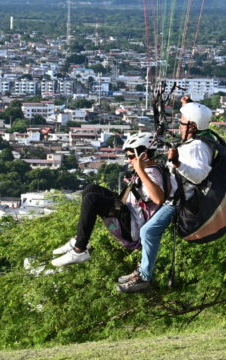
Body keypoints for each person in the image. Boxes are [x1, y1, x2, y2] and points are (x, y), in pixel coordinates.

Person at [116, 101, 214, 293]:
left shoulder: (198, 146)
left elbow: (201, 175)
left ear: (193, 126)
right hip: (174, 196)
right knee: (143, 225)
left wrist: (177, 163)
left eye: (183, 122)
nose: (179, 126)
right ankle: (141, 270)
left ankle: (144, 277)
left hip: (178, 202)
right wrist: (189, 105)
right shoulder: (198, 141)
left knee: (147, 231)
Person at [51, 133, 173, 268]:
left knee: (92, 200)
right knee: (91, 189)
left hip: (131, 226)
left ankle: (80, 249)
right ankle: (80, 239)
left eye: (131, 156)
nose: (128, 160)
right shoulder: (150, 168)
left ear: (143, 156)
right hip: (127, 211)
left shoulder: (152, 173)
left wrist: (140, 170)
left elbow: (159, 198)